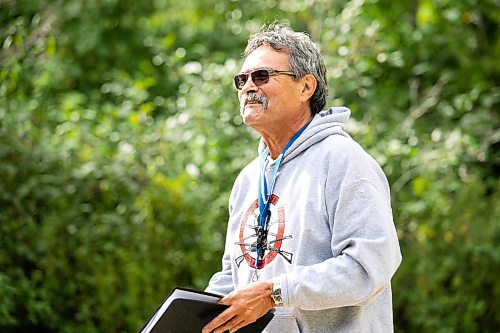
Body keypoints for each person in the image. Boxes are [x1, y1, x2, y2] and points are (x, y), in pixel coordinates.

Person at [202, 24, 402, 333]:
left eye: (262, 76)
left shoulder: (344, 161)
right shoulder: (248, 178)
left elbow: (369, 266)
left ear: (305, 87)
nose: (248, 87)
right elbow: (234, 276)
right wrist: (198, 316)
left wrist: (275, 293)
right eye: (242, 79)